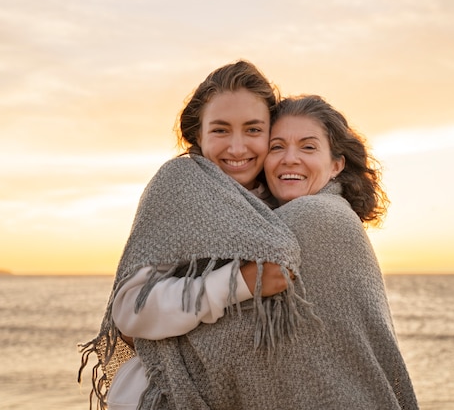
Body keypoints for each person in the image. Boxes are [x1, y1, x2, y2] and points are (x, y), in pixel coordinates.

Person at [78, 60, 315, 410]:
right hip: (157, 395)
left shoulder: (282, 201)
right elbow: (130, 310)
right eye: (220, 131)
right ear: (198, 135)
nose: (237, 148)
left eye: (252, 130)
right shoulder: (179, 186)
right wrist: (241, 281)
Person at [260, 94, 419, 409]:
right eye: (277, 147)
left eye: (308, 147)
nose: (290, 158)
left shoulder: (313, 217)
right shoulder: (331, 213)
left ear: (336, 164)